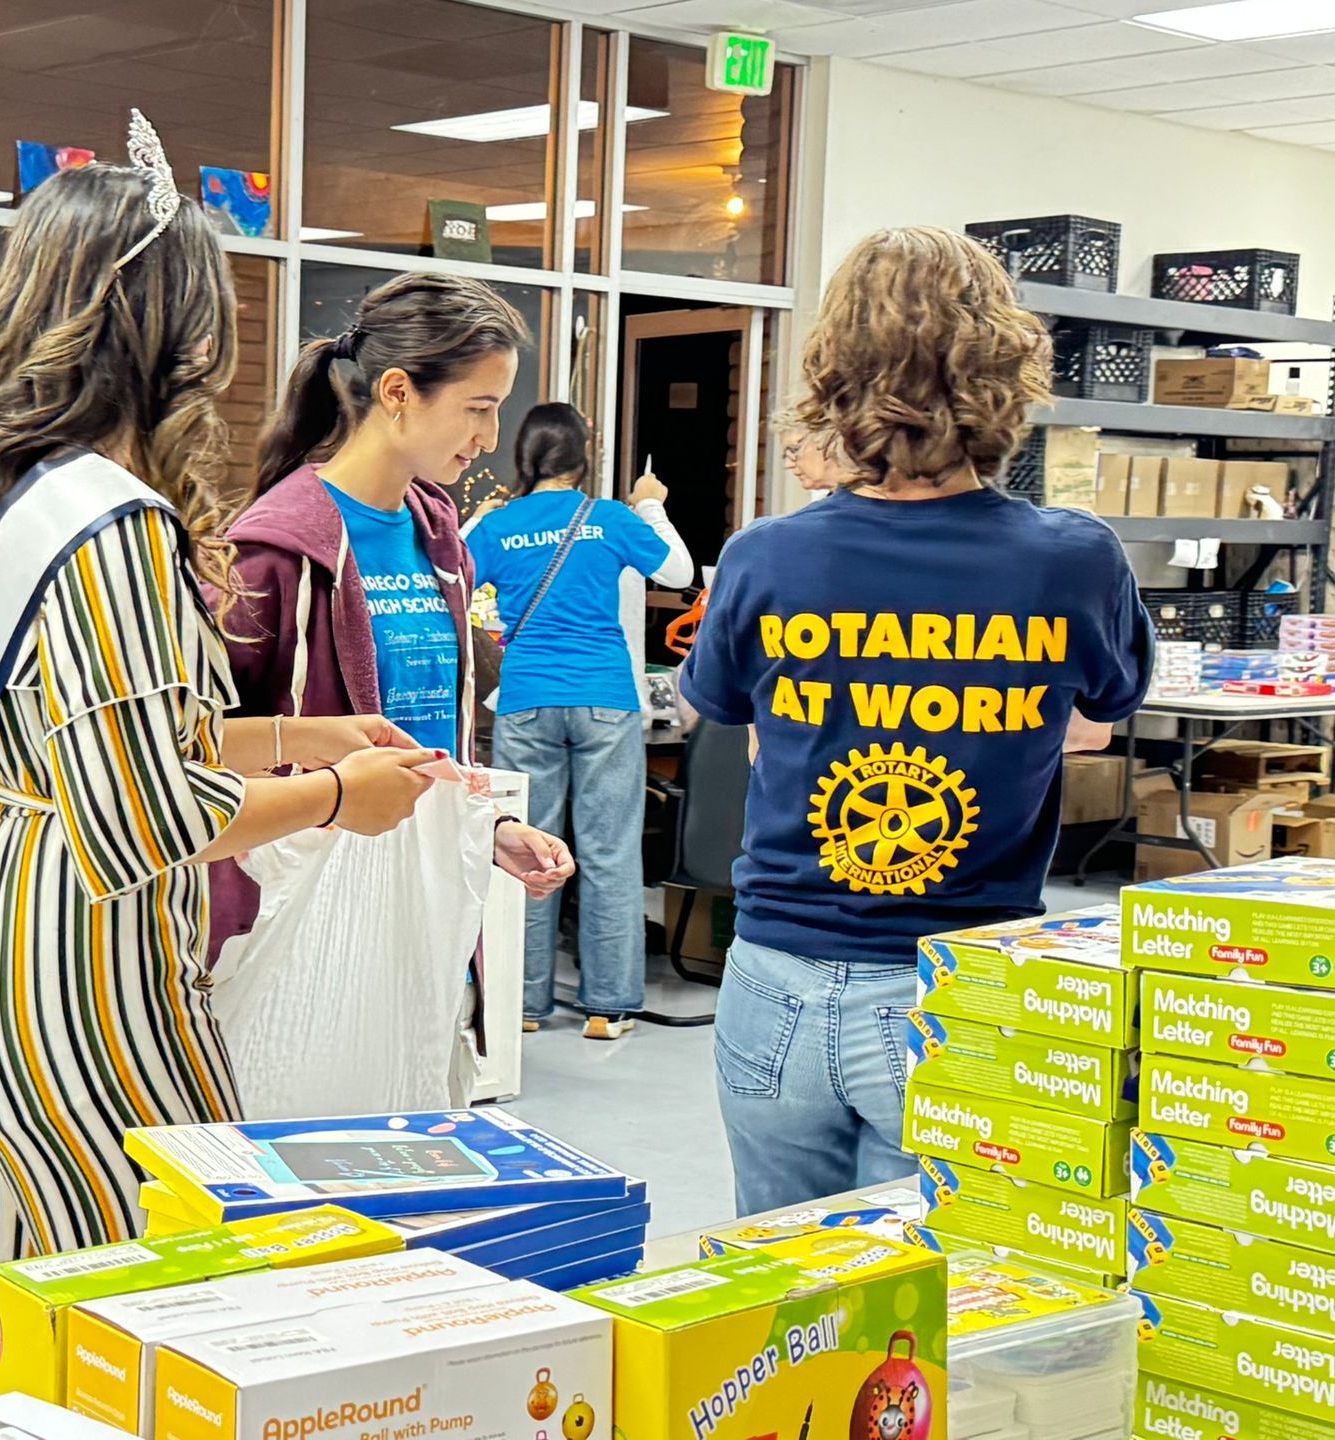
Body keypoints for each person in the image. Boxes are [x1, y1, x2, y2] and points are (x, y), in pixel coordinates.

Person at [0, 117, 440, 1387]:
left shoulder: (15, 492)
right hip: (78, 978)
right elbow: (138, 818)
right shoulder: (115, 525)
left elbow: (75, 742)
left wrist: (293, 732)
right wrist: (340, 795)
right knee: (146, 1325)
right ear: (166, 323)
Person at [683, 227, 1153, 1214]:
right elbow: (1103, 715)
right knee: (935, 1307)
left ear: (834, 379)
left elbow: (725, 709)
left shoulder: (766, 558)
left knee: (782, 1305)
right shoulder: (1074, 561)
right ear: (1006, 368)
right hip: (958, 985)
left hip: (777, 976)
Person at [212, 273, 576, 972]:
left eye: (497, 409)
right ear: (399, 392)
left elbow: (431, 736)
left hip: (421, 899)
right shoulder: (272, 552)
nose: (491, 436)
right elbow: (195, 747)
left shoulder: (439, 536)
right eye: (478, 407)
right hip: (303, 916)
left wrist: (485, 826)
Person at [468, 404, 694, 1040]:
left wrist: (479, 520)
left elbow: (445, 577)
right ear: (581, 455)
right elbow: (678, 573)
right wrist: (651, 504)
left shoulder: (501, 524)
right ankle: (608, 1007)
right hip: (604, 698)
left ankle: (526, 1006)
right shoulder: (608, 517)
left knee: (527, 852)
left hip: (525, 700)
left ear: (525, 455)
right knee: (609, 850)